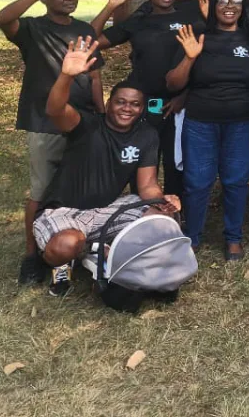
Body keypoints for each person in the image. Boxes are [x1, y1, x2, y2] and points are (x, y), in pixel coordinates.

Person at [0, 0, 114, 286]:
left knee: (77, 189)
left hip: (83, 123)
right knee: (42, 190)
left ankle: (70, 252)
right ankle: (32, 257)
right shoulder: (33, 29)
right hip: (44, 121)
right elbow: (1, 18)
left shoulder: (83, 30)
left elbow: (93, 77)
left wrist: (101, 114)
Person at [34, 37, 178, 297]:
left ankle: (103, 252)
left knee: (163, 218)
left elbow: (146, 186)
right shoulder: (87, 125)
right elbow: (55, 110)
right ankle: (73, 259)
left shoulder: (146, 135)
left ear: (142, 109)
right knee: (67, 243)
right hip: (64, 211)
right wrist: (66, 76)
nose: (127, 108)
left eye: (135, 104)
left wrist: (162, 200)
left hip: (106, 210)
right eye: (121, 101)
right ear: (109, 103)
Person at [166, 0, 249, 260]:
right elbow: (173, 83)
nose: (229, 5)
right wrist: (190, 57)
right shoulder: (198, 36)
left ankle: (233, 238)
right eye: (223, 0)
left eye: (236, 0)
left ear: (242, 7)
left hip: (241, 124)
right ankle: (193, 236)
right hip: (201, 122)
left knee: (236, 180)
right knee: (197, 181)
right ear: (213, 6)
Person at [94, 0, 204, 199]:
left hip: (176, 104)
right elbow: (93, 40)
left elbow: (201, 63)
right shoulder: (138, 22)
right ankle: (140, 210)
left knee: (176, 164)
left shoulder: (190, 21)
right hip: (142, 104)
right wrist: (112, 4)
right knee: (141, 160)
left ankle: (174, 215)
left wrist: (183, 97)